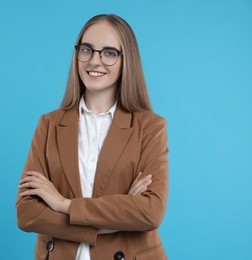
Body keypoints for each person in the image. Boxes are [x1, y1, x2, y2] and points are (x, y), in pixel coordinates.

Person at [15, 14, 169, 260]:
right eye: (87, 49)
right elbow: (27, 213)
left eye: (109, 53)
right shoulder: (49, 125)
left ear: (126, 59)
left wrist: (63, 205)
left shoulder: (150, 127)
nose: (94, 61)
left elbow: (150, 212)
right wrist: (118, 217)